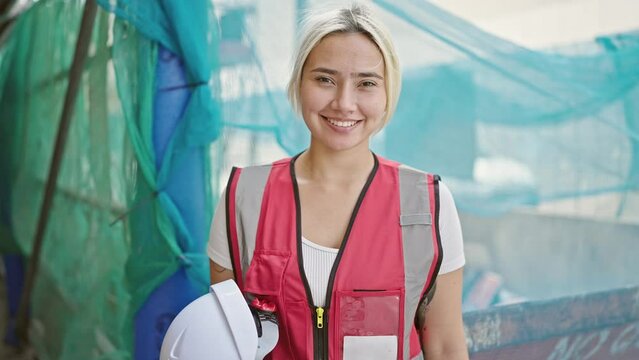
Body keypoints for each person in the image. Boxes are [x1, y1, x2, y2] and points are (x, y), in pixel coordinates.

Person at [208, 2, 468, 359]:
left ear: (387, 92)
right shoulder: (243, 198)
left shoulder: (428, 204)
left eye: (366, 84)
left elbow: (445, 346)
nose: (344, 103)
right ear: (299, 82)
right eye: (325, 79)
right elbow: (224, 344)